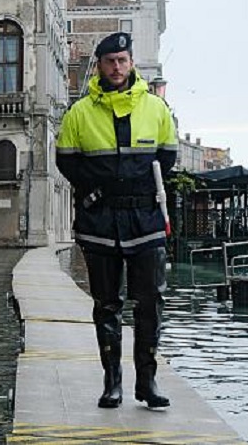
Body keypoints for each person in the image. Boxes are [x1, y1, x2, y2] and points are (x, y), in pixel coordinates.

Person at [56, 32, 178, 409]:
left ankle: (148, 382)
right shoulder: (79, 113)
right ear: (100, 64)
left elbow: (168, 156)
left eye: (123, 60)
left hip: (145, 219)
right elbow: (66, 161)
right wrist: (98, 187)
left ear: (131, 62)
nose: (117, 67)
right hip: (100, 221)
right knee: (106, 304)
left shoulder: (156, 109)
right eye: (110, 61)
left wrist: (137, 186)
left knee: (150, 302)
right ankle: (113, 383)